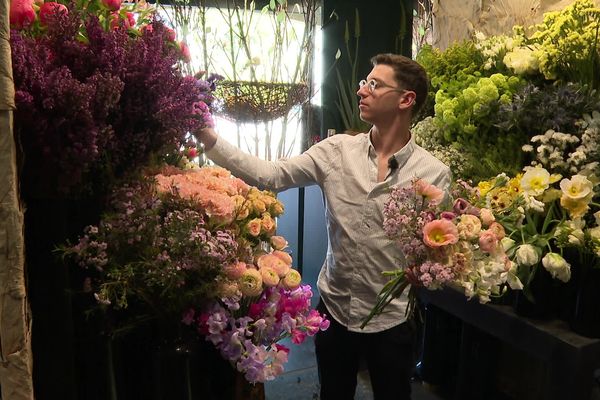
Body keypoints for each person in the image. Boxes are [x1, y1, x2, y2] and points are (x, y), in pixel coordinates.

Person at [197, 53, 451, 400]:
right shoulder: (336, 151)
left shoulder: (433, 173)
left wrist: (423, 271)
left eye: (375, 85)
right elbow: (270, 174)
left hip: (391, 319)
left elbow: (436, 248)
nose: (363, 90)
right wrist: (210, 139)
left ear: (406, 100)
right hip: (334, 310)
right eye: (364, 82)